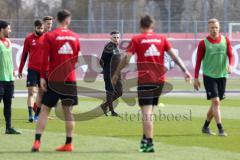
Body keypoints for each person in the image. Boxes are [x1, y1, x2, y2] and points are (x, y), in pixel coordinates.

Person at [112, 15, 192, 153]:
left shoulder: (137, 39)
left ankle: (149, 143)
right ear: (152, 26)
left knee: (146, 113)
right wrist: (185, 70)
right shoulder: (162, 39)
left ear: (141, 26)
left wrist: (116, 73)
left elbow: (127, 58)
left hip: (145, 81)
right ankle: (144, 139)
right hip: (160, 81)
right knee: (150, 111)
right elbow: (174, 56)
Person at [31, 9, 80, 152]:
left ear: (57, 20)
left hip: (53, 79)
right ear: (68, 20)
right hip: (69, 79)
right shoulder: (75, 37)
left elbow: (44, 59)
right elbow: (76, 59)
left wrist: (41, 77)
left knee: (45, 110)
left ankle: (37, 142)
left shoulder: (50, 36)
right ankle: (69, 143)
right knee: (68, 112)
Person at [194, 18, 234, 136]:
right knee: (216, 102)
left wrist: (230, 65)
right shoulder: (203, 43)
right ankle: (220, 129)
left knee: (215, 103)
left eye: (216, 27)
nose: (214, 30)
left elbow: (231, 56)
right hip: (209, 76)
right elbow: (197, 62)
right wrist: (196, 78)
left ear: (219, 28)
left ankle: (205, 126)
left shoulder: (225, 40)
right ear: (208, 28)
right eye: (212, 27)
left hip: (222, 76)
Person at [18, 20, 44, 122]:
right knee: (31, 92)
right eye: (39, 28)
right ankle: (30, 116)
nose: (41, 30)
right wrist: (20, 69)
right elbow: (24, 55)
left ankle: (37, 115)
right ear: (35, 28)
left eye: (42, 28)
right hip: (32, 69)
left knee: (41, 94)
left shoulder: (46, 38)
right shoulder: (29, 39)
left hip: (43, 71)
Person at [0, 20, 21, 134]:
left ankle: (8, 128)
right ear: (2, 29)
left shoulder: (8, 41)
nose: (10, 30)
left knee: (8, 104)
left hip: (9, 79)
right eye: (8, 28)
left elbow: (9, 58)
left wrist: (12, 70)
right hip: (0, 80)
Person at [33, 16, 54, 120]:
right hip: (41, 69)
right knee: (41, 91)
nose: (49, 26)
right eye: (47, 24)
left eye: (51, 24)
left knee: (47, 92)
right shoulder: (40, 36)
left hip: (50, 68)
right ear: (43, 24)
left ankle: (41, 112)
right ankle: (37, 114)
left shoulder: (51, 35)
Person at [99, 31, 123, 116]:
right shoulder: (109, 46)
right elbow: (101, 61)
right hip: (109, 73)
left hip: (117, 74)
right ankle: (112, 112)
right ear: (111, 38)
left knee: (120, 92)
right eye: (114, 37)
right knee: (110, 92)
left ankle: (104, 105)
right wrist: (106, 70)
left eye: (117, 37)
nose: (116, 39)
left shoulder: (116, 47)